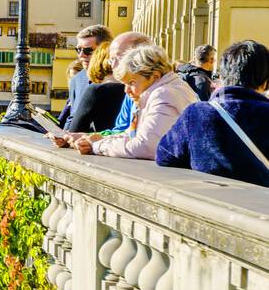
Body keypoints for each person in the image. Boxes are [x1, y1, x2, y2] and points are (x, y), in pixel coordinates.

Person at [157, 40, 269, 186]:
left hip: (204, 202)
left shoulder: (196, 113)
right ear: (265, 81)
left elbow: (164, 156)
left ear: (224, 74)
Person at [73, 44, 197, 158]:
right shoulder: (169, 88)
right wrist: (101, 139)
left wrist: (97, 146)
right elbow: (134, 134)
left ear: (155, 76)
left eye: (131, 83)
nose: (126, 90)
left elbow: (144, 146)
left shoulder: (163, 94)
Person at [62, 42, 126, 134]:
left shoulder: (96, 90)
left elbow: (75, 130)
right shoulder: (136, 89)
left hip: (104, 146)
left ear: (96, 62)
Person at [58, 24, 114, 127]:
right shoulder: (77, 79)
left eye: (88, 50)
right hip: (77, 141)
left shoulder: (120, 78)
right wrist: (63, 137)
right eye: (78, 50)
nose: (81, 55)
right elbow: (72, 117)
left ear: (105, 50)